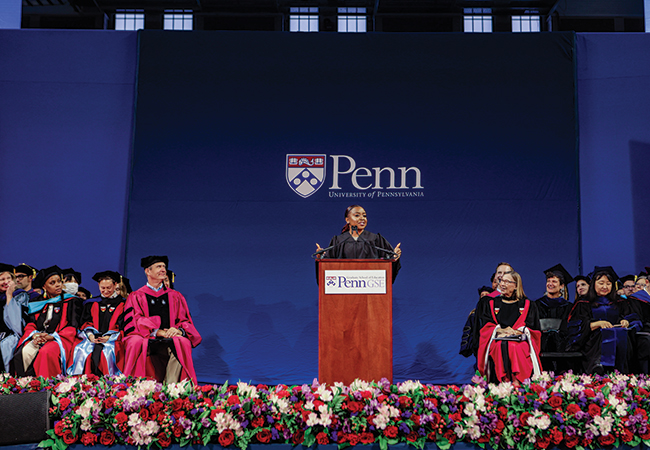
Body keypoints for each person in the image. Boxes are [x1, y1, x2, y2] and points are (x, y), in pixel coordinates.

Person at [123, 256, 201, 384]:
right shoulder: (136, 296)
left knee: (182, 342)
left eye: (164, 267)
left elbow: (184, 319)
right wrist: (157, 331)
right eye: (159, 267)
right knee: (135, 342)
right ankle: (136, 386)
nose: (163, 270)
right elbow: (135, 320)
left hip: (169, 337)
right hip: (146, 336)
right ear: (148, 271)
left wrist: (179, 330)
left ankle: (171, 387)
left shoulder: (175, 296)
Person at [567, 266, 639, 374]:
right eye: (601, 283)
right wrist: (597, 324)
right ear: (593, 284)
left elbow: (634, 318)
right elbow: (575, 327)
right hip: (593, 343)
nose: (605, 286)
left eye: (608, 283)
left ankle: (621, 373)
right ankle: (598, 368)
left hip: (620, 342)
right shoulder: (583, 304)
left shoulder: (620, 303)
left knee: (621, 334)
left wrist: (626, 321)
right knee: (604, 334)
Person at [13, 266, 80, 377]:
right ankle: (26, 386)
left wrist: (53, 337)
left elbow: (73, 326)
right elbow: (31, 323)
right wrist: (35, 335)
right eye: (52, 283)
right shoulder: (36, 303)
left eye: (59, 281)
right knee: (24, 352)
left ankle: (47, 386)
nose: (58, 285)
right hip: (39, 336)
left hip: (60, 339)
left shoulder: (71, 301)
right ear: (44, 286)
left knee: (46, 352)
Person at [477, 271, 542, 383]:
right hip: (497, 340)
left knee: (514, 347)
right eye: (501, 280)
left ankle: (518, 382)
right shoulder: (492, 303)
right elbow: (486, 325)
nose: (502, 284)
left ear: (516, 286)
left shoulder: (528, 305)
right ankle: (503, 381)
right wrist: (500, 330)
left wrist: (520, 331)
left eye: (507, 282)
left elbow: (533, 327)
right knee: (500, 346)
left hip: (520, 342)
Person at [315, 205, 402, 281]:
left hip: (371, 288)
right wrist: (321, 258)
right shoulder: (338, 241)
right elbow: (328, 269)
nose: (362, 218)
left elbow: (388, 266)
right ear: (347, 220)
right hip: (344, 288)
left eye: (364, 216)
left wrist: (394, 258)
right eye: (357, 215)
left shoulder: (375, 239)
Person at [68, 271, 127, 376]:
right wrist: (90, 335)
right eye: (102, 288)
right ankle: (84, 384)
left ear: (115, 285)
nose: (105, 291)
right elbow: (85, 323)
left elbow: (123, 325)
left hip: (113, 340)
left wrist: (109, 337)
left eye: (108, 288)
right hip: (92, 339)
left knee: (107, 353)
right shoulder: (91, 303)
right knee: (83, 351)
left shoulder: (124, 304)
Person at [535, 264, 574, 351]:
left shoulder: (568, 307)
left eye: (554, 281)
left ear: (561, 286)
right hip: (541, 346)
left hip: (562, 348)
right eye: (548, 281)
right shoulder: (537, 304)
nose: (550, 284)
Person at [0, 264, 30, 372]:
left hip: (11, 335)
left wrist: (9, 296)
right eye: (2, 279)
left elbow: (15, 324)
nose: (6, 282)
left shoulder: (20, 295)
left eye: (9, 278)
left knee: (5, 345)